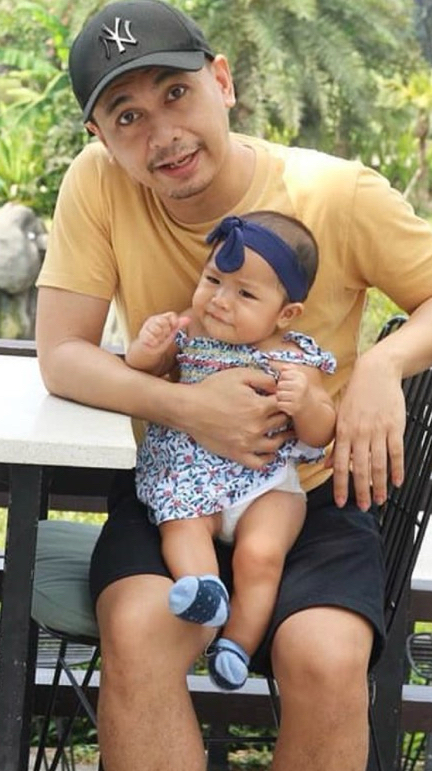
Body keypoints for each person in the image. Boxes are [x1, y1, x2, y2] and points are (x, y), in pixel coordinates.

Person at [34, 1, 432, 771]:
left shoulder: (334, 194)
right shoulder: (99, 185)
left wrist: (382, 367)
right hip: (173, 489)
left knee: (328, 657)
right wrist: (189, 408)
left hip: (308, 496)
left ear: (221, 82)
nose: (162, 134)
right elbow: (62, 355)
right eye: (128, 116)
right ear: (101, 138)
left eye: (176, 93)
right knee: (139, 631)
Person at [125, 210, 337, 691]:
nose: (220, 301)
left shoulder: (295, 358)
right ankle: (205, 589)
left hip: (266, 486)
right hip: (189, 476)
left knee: (261, 555)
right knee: (181, 524)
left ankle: (237, 645)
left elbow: (321, 430)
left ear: (286, 314)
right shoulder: (190, 336)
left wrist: (306, 402)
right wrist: (148, 347)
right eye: (213, 280)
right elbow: (143, 372)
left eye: (245, 294)